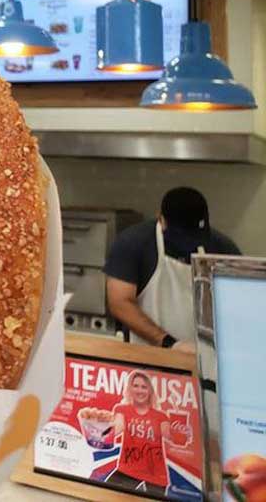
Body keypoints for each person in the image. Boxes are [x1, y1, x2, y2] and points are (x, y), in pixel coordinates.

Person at [104, 186, 240, 351]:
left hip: (200, 363)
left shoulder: (222, 248)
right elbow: (120, 303)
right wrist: (169, 343)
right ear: (161, 220)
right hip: (144, 360)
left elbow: (237, 307)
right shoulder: (133, 244)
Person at [105, 370, 171, 496]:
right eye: (135, 386)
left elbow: (170, 436)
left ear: (150, 391)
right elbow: (118, 428)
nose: (139, 390)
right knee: (106, 495)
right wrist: (101, 430)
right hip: (128, 469)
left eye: (144, 387)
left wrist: (184, 434)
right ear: (130, 389)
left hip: (156, 473)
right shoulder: (122, 409)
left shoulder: (160, 416)